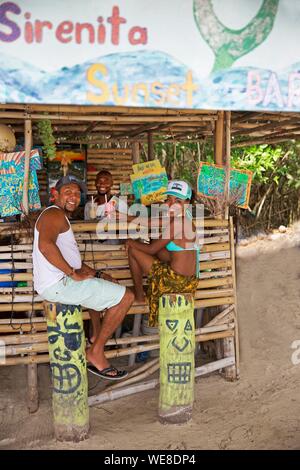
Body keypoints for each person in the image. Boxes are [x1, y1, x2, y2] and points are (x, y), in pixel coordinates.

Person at [32, 174, 135, 380]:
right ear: (55, 195)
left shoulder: (57, 216)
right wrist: (72, 274)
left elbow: (74, 261)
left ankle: (95, 336)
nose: (74, 197)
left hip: (58, 283)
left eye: (77, 193)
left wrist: (97, 274)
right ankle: (96, 351)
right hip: (59, 284)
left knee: (102, 287)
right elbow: (45, 246)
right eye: (68, 192)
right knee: (127, 297)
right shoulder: (53, 215)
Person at [126, 180, 200, 327]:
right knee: (156, 245)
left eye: (177, 201)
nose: (171, 204)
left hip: (175, 282)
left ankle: (140, 296)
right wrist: (121, 217)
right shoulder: (183, 218)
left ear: (187, 202)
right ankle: (142, 292)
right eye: (169, 200)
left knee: (134, 250)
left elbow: (151, 249)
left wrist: (130, 242)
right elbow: (149, 222)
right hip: (189, 282)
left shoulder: (178, 223)